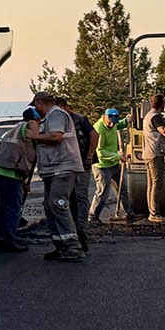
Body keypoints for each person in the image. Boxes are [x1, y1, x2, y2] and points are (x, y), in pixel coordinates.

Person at [28, 91, 84, 262]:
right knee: (49, 206)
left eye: (36, 105)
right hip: (53, 169)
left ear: (40, 103)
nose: (36, 109)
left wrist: (35, 136)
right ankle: (61, 245)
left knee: (57, 203)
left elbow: (56, 136)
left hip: (63, 168)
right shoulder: (48, 118)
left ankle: (73, 247)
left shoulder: (57, 114)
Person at [0, 107, 39, 251]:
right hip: (10, 171)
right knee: (13, 207)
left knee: (4, 206)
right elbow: (35, 135)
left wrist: (24, 181)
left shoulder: (16, 128)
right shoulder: (30, 125)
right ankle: (9, 239)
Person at [56, 97, 96, 251]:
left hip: (80, 164)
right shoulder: (60, 121)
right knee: (68, 198)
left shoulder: (79, 119)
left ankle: (81, 228)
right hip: (66, 165)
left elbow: (94, 135)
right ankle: (72, 229)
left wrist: (89, 156)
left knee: (80, 197)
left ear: (66, 107)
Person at [89, 107, 130, 225]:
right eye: (110, 121)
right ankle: (93, 216)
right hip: (102, 165)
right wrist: (118, 156)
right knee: (102, 191)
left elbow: (119, 125)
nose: (112, 124)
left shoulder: (114, 124)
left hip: (113, 163)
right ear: (104, 117)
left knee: (122, 188)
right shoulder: (99, 129)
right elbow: (100, 152)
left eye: (114, 122)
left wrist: (126, 121)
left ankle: (128, 213)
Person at [143, 97, 165, 223]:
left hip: (148, 153)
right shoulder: (155, 117)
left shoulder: (148, 115)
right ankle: (154, 213)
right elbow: (164, 132)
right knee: (157, 183)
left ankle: (151, 211)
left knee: (151, 184)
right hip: (155, 153)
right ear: (162, 105)